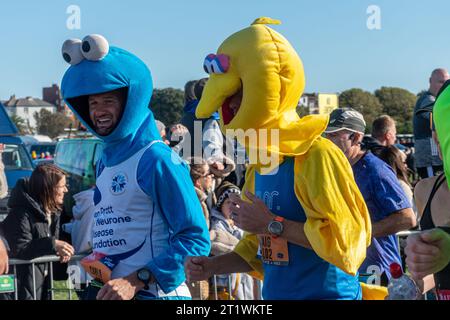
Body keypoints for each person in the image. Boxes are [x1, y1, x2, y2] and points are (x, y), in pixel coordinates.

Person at [187, 18, 373, 300]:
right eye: (226, 98)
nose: (232, 105)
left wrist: (272, 223)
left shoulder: (317, 155)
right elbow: (255, 251)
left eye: (238, 93)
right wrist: (212, 267)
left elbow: (346, 244)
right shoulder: (259, 165)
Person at [61, 34, 210, 300]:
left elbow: (195, 238)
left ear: (129, 102)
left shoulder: (158, 158)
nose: (99, 111)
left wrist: (137, 280)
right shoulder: (104, 161)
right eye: (93, 103)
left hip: (158, 294)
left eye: (108, 100)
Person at [324, 108, 416, 285]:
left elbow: (407, 218)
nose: (329, 141)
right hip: (348, 268)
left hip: (379, 269)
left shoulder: (375, 169)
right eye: (327, 135)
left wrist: (360, 234)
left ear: (356, 138)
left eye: (335, 135)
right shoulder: (332, 168)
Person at [1, 164, 74, 300]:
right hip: (20, 287)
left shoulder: (53, 212)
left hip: (42, 285)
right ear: (48, 188)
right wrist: (53, 245)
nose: (66, 190)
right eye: (61, 186)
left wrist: (61, 249)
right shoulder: (21, 213)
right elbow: (21, 248)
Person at [209, 181, 255, 300]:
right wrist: (245, 251)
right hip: (225, 285)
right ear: (221, 205)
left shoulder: (243, 224)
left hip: (244, 283)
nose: (232, 206)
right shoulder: (217, 223)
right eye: (228, 202)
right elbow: (217, 244)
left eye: (235, 203)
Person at [413, 68, 449, 179]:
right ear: (430, 81)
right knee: (433, 192)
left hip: (436, 159)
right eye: (441, 82)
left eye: (447, 82)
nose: (445, 86)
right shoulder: (427, 100)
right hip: (429, 160)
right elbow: (442, 117)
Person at [372, 145, 413, 212]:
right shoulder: (401, 185)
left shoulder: (377, 184)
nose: (406, 166)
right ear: (398, 164)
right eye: (404, 162)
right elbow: (411, 214)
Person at [187, 157, 214, 228]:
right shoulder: (196, 205)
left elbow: (224, 173)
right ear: (198, 181)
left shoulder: (207, 193)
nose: (212, 175)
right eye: (208, 173)